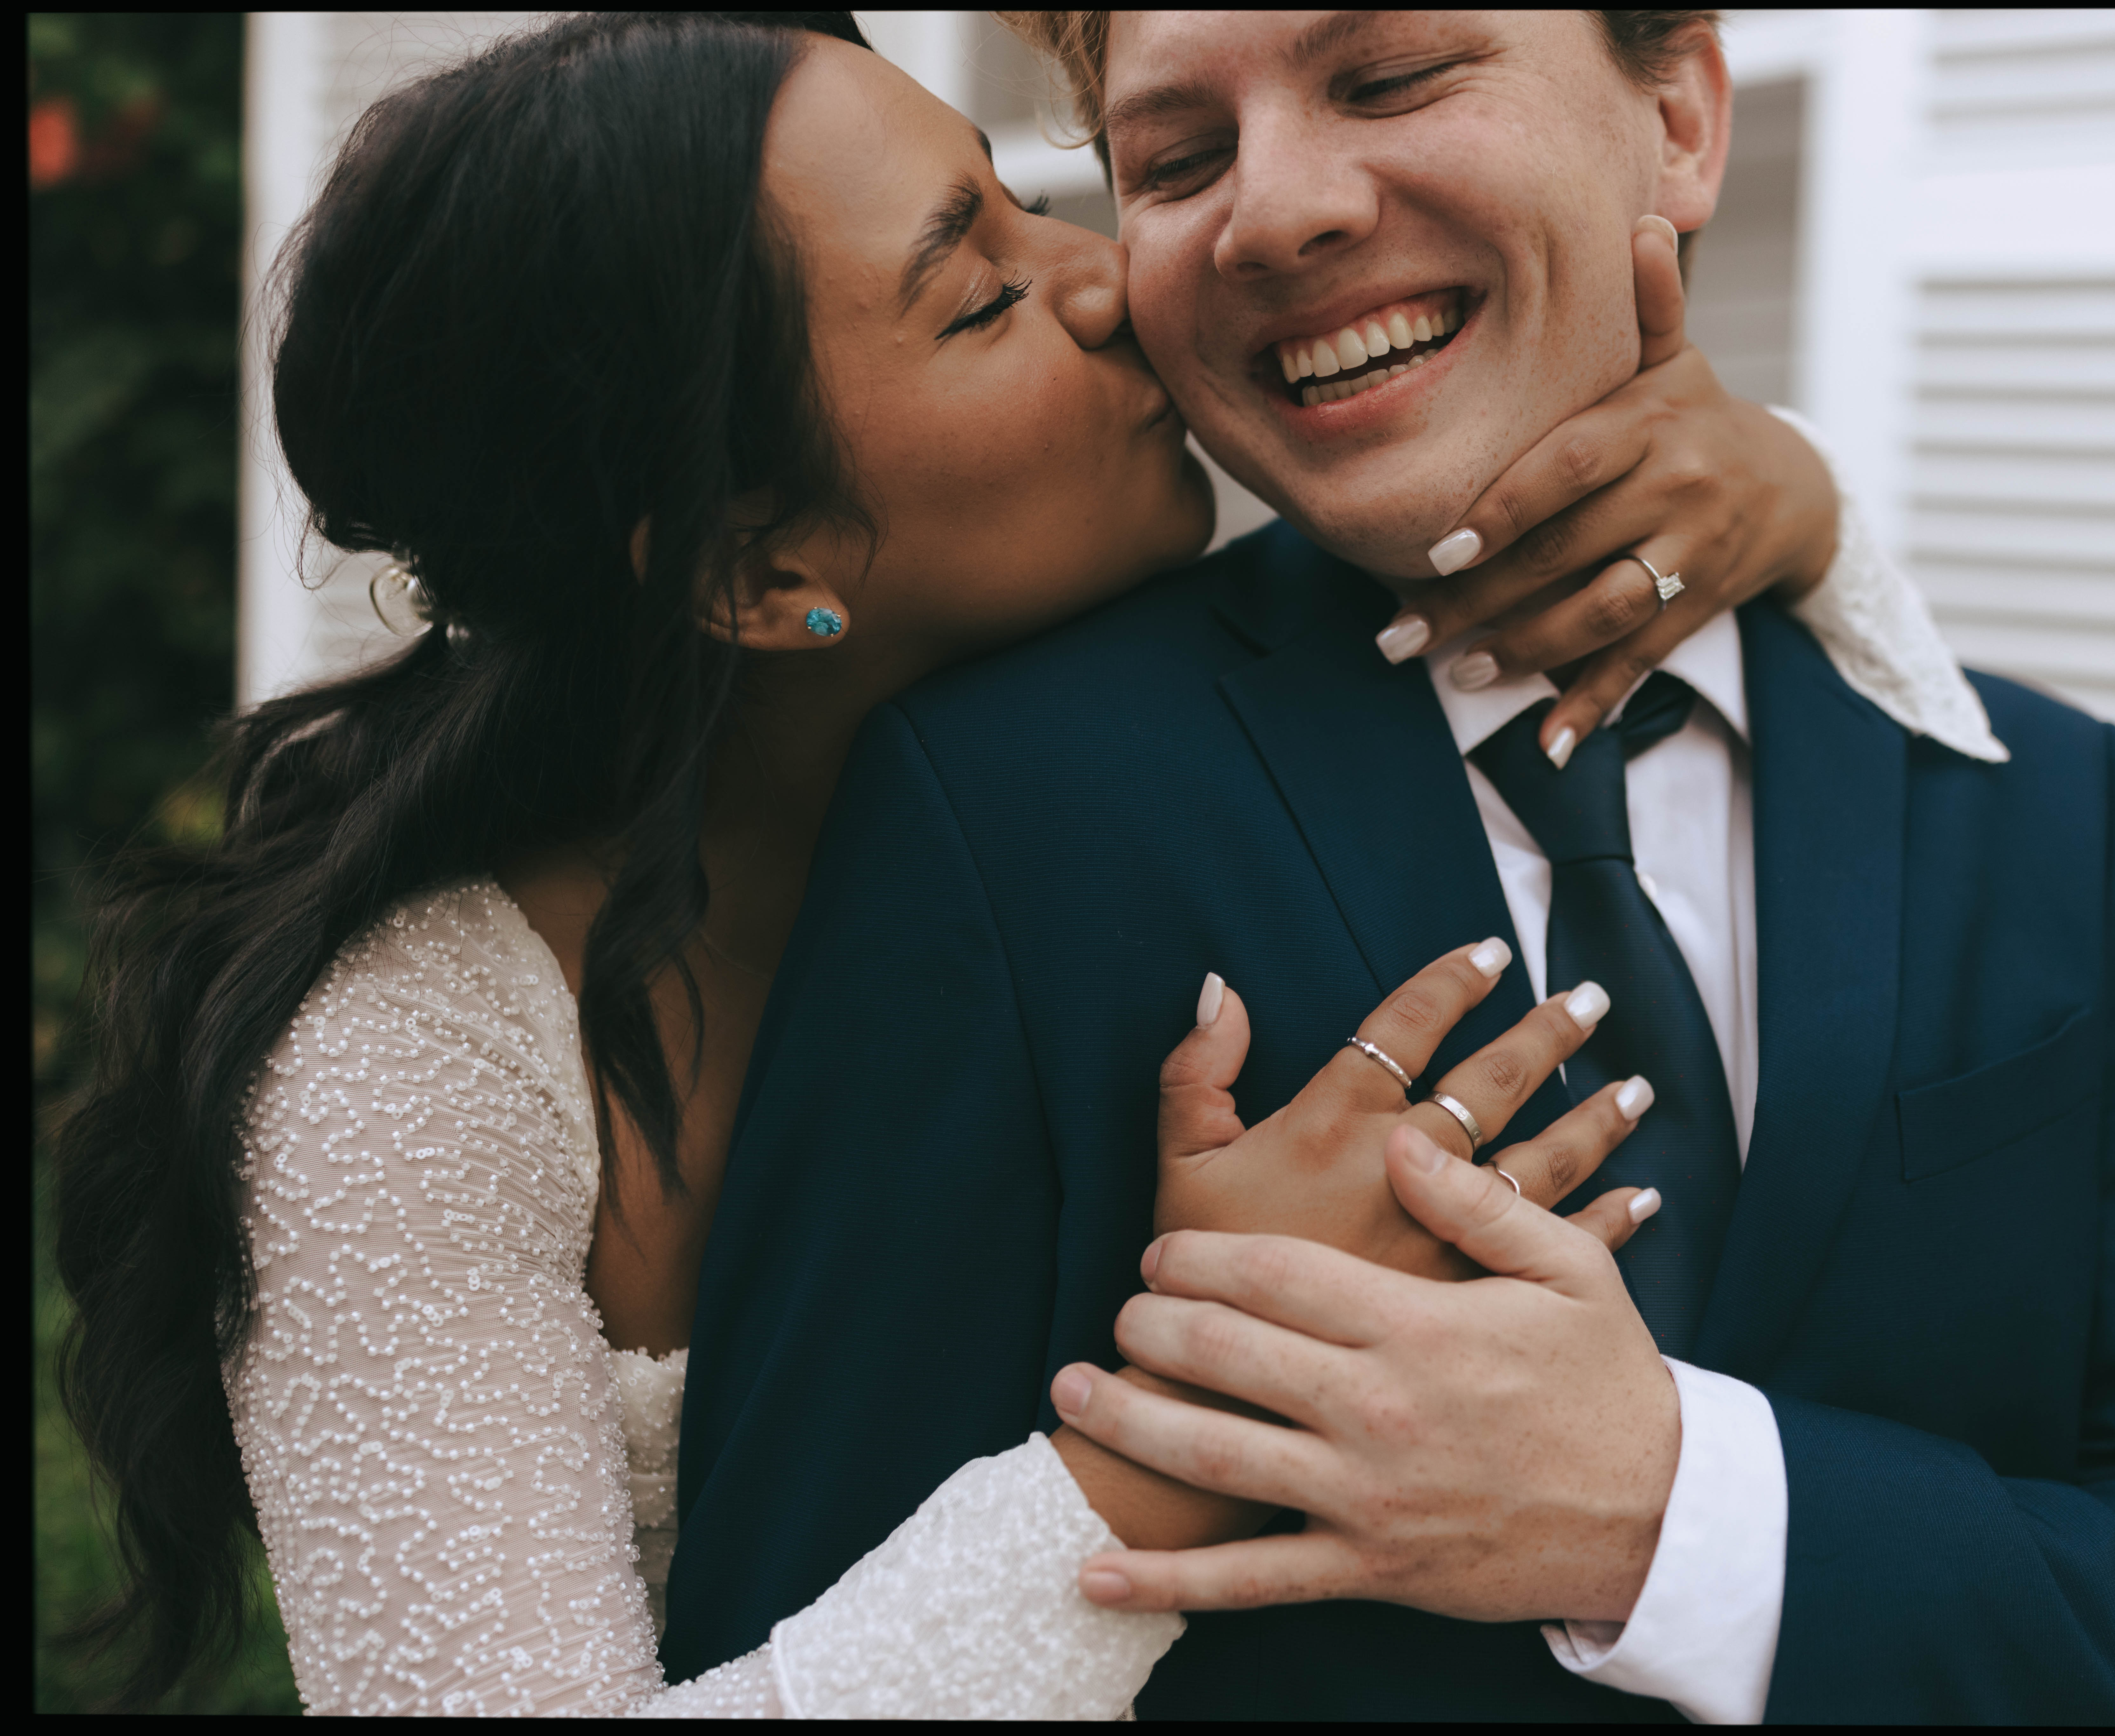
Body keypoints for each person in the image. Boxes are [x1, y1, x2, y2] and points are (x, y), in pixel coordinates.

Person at [47, 10, 1873, 1718]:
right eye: (980, 293)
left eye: (1034, 198)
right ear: (754, 574)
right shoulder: (412, 1074)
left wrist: (1797, 497)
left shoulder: (1162, 742)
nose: (1113, 282)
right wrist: (1185, 1426)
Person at [671, 9, 2115, 1724]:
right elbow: (800, 1625)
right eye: (1178, 157)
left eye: (1393, 75)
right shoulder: (998, 805)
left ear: (1678, 119)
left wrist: (1672, 1510)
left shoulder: (2049, 804)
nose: (1276, 211)